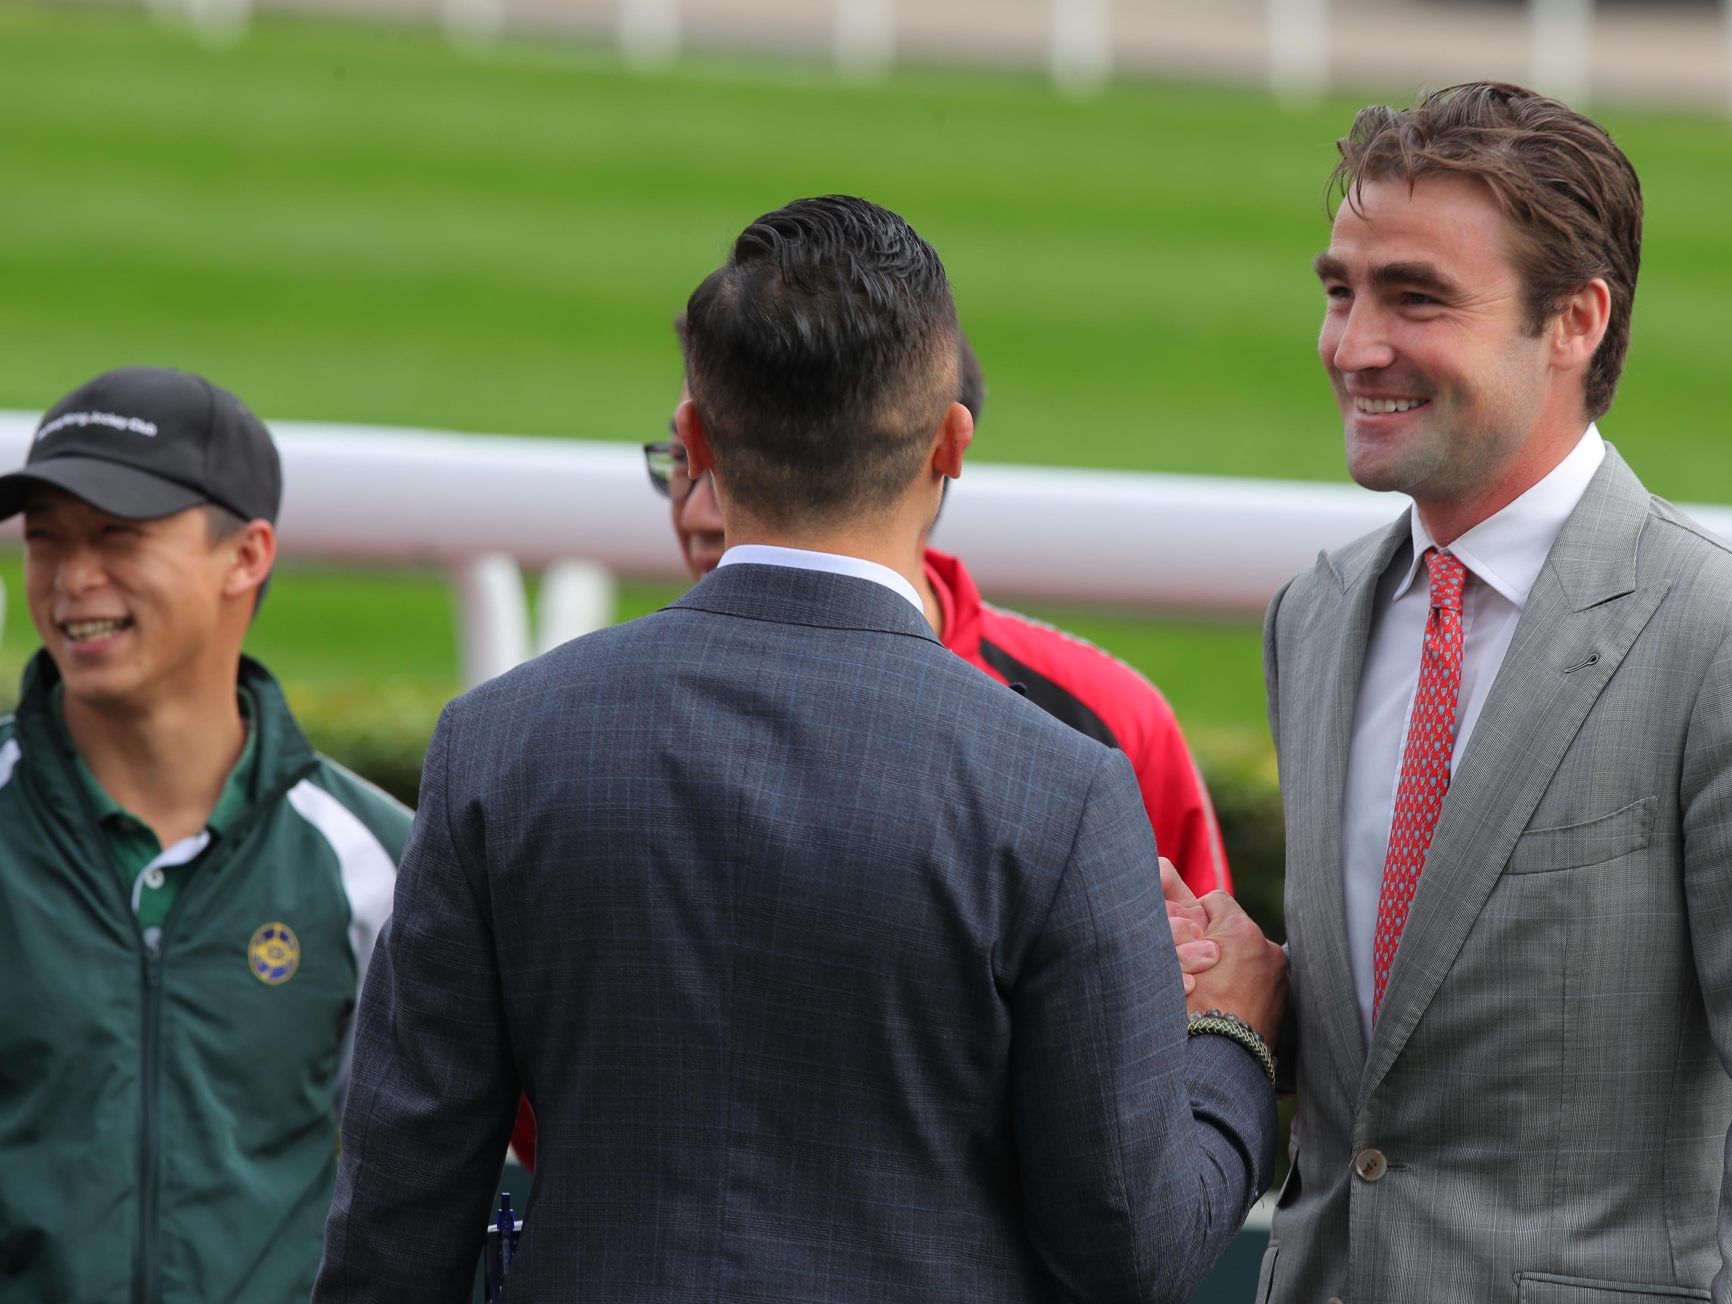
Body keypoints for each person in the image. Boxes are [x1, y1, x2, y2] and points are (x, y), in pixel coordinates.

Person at [316, 195, 1284, 1302]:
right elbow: (1128, 1250)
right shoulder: (1058, 787)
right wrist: (1233, 1046)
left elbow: (397, 1222)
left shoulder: (499, 743)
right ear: (951, 444)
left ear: (694, 442)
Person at [1182, 83, 1732, 1302]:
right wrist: (1245, 991)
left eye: (1415, 297)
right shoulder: (1312, 615)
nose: (1354, 344)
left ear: (1574, 320)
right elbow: (1414, 1038)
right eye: (1340, 290)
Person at [0, 366, 407, 1303]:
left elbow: (425, 1187)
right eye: (45, 537)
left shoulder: (376, 857)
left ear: (247, 555)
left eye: (118, 535)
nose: (72, 578)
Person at [649, 319, 1233, 895]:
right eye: (685, 462)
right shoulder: (616, 706)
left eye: (744, 462)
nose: (701, 514)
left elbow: (1204, 972)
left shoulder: (1114, 720)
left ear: (935, 450)